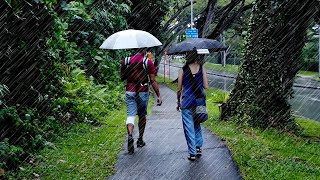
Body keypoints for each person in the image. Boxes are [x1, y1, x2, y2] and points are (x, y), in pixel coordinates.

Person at [121, 48, 162, 154]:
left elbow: (122, 77)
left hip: (130, 91)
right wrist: (158, 95)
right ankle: (140, 139)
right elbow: (152, 80)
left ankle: (130, 135)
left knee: (130, 115)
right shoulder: (147, 62)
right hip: (142, 91)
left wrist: (130, 72)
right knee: (142, 115)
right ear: (144, 50)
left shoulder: (126, 61)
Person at [176, 50, 209, 161]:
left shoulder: (182, 70)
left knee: (189, 127)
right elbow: (206, 86)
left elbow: (179, 89)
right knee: (197, 122)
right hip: (199, 101)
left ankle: (192, 153)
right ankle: (198, 147)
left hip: (187, 102)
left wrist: (178, 101)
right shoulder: (202, 67)